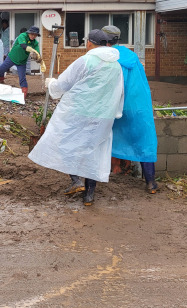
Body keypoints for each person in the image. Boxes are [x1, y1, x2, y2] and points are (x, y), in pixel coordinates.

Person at [28, 30, 124, 206]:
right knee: (92, 151)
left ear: (89, 43)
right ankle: (89, 196)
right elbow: (119, 92)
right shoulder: (116, 65)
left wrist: (52, 84)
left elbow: (64, 83)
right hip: (103, 116)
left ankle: (76, 180)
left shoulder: (86, 60)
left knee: (63, 142)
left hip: (79, 113)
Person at [95, 24, 159, 194]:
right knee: (143, 140)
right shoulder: (132, 56)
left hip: (112, 105)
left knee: (98, 138)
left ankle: (93, 183)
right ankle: (151, 182)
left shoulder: (104, 57)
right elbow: (142, 83)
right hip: (137, 106)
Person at [0, 25, 41, 99]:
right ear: (29, 33)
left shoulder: (35, 43)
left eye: (35, 35)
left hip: (22, 62)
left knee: (22, 78)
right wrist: (31, 50)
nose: (33, 36)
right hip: (12, 57)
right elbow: (23, 45)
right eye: (32, 34)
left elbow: (37, 53)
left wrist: (38, 57)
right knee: (1, 69)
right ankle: (1, 80)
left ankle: (24, 93)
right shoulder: (22, 36)